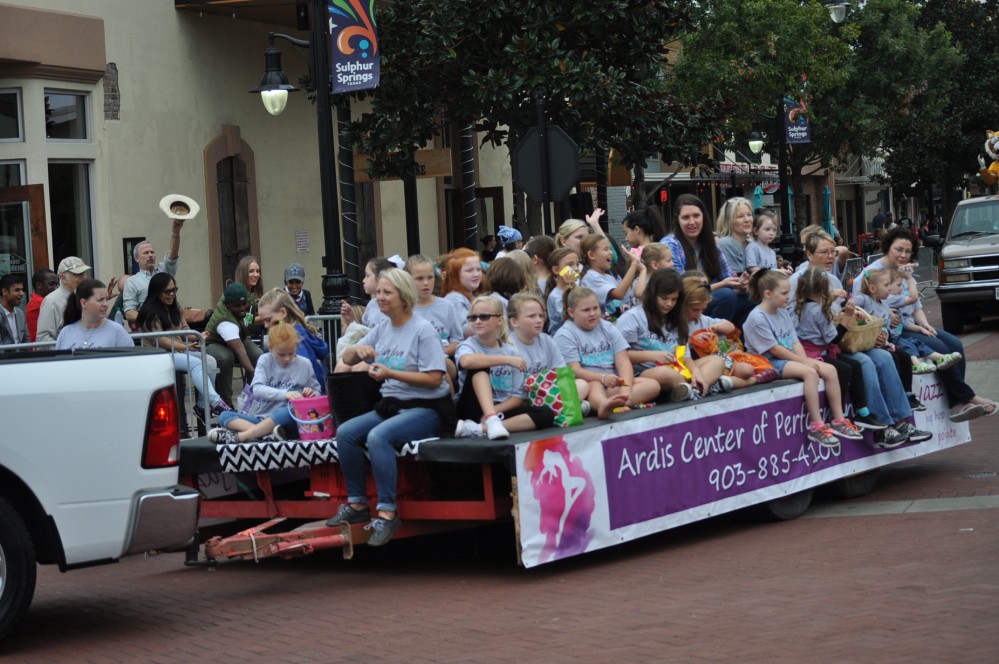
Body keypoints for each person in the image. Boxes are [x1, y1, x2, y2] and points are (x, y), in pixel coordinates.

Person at [324, 268, 453, 547]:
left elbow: (434, 379)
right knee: (345, 433)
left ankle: (387, 511)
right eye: (379, 291)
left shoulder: (422, 330)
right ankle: (358, 505)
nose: (379, 297)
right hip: (392, 405)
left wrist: (391, 374)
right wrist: (356, 351)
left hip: (427, 407)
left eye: (386, 292)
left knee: (378, 436)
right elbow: (346, 355)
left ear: (403, 296)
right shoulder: (382, 328)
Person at [856, 227, 995, 421]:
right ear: (888, 247)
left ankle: (958, 400)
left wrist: (926, 325)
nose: (903, 255)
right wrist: (887, 312)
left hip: (913, 325)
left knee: (955, 344)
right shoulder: (872, 273)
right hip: (895, 331)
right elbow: (861, 303)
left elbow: (917, 306)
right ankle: (964, 399)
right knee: (940, 347)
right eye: (899, 249)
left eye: (908, 251)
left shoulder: (904, 272)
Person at [792, 267, 924, 445]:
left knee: (886, 357)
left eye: (832, 251)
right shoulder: (818, 307)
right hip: (835, 347)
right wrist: (846, 313)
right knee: (864, 363)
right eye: (825, 251)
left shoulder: (809, 303)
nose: (830, 256)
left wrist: (877, 330)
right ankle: (880, 424)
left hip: (847, 343)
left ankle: (901, 421)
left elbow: (832, 314)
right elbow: (834, 334)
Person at [743, 270, 863, 447]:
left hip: (786, 358)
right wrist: (804, 362)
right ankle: (817, 425)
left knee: (830, 369)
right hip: (766, 363)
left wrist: (805, 359)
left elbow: (794, 342)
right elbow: (775, 350)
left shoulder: (782, 313)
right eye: (784, 293)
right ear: (768, 294)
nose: (788, 297)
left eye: (788, 292)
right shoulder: (757, 318)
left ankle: (839, 419)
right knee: (809, 373)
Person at [615, 268, 727, 401]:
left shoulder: (676, 318)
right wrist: (653, 356)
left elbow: (685, 354)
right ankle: (694, 390)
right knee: (665, 374)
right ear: (653, 294)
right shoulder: (633, 318)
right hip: (645, 373)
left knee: (717, 361)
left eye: (674, 299)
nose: (669, 304)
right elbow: (620, 356)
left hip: (678, 369)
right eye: (664, 298)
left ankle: (692, 389)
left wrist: (696, 371)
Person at [453, 296, 555, 439]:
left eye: (484, 317)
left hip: (500, 408)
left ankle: (482, 428)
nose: (477, 321)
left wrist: (495, 411)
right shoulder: (469, 345)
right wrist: (506, 360)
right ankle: (491, 420)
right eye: (473, 317)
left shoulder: (511, 351)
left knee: (546, 414)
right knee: (479, 367)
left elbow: (518, 396)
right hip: (472, 407)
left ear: (500, 320)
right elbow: (466, 362)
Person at [554, 286, 660, 418]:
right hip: (588, 382)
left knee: (652, 385)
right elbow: (574, 370)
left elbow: (623, 362)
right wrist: (602, 378)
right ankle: (603, 405)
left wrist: (625, 389)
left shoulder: (607, 327)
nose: (592, 313)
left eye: (595, 308)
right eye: (586, 310)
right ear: (571, 312)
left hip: (612, 382)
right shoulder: (565, 334)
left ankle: (620, 401)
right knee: (594, 386)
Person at [136, 272, 231, 417]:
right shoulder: (149, 311)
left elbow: (185, 330)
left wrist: (200, 336)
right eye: (167, 291)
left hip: (178, 351)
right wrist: (187, 347)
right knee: (195, 364)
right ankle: (215, 401)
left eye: (174, 290)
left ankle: (201, 406)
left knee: (210, 361)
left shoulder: (175, 306)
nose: (172, 294)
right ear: (157, 292)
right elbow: (162, 340)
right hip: (159, 355)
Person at [209, 323, 321, 444]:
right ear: (271, 348)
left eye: (291, 353)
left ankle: (243, 436)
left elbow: (317, 392)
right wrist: (285, 394)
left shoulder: (305, 364)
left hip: (291, 420)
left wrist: (311, 393)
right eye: (281, 354)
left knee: (287, 410)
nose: (287, 358)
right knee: (225, 415)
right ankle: (268, 434)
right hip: (262, 419)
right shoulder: (265, 360)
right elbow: (257, 389)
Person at [660, 194, 753, 327]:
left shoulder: (710, 243)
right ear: (677, 220)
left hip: (709, 301)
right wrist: (723, 285)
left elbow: (729, 278)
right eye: (686, 217)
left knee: (752, 297)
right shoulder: (670, 244)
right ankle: (711, 341)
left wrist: (741, 285)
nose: (692, 222)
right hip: (683, 305)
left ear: (703, 216)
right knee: (726, 296)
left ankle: (738, 341)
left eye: (696, 216)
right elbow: (681, 289)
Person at [257, 288, 329, 391]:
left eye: (268, 320)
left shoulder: (292, 339)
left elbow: (298, 380)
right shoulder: (301, 333)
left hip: (303, 400)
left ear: (282, 313)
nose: (266, 325)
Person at [204, 283, 264, 406]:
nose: (242, 308)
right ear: (228, 305)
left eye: (244, 304)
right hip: (215, 343)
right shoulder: (225, 321)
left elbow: (247, 318)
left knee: (258, 355)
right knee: (226, 357)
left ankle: (251, 397)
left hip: (238, 337)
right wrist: (254, 373)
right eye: (237, 306)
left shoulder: (238, 298)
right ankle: (225, 402)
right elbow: (240, 351)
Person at [122, 216, 187, 322]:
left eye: (152, 252)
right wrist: (151, 322)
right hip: (150, 333)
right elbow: (129, 312)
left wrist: (176, 232)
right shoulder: (132, 282)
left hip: (172, 325)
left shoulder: (164, 272)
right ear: (136, 258)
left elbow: (173, 254)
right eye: (146, 253)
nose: (150, 255)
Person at [55, 278, 134, 350]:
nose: (105, 304)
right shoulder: (66, 332)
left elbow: (131, 360)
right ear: (84, 303)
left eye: (106, 299)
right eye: (100, 300)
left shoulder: (117, 331)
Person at [579, 234, 643, 318]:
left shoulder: (607, 277)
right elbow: (619, 294)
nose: (611, 252)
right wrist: (634, 264)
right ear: (592, 255)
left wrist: (638, 270)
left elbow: (623, 290)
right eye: (606, 249)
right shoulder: (591, 277)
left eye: (610, 249)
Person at [36, 257, 91, 343]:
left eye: (84, 273)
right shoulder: (51, 301)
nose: (83, 277)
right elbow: (43, 338)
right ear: (63, 278)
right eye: (78, 274)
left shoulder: (88, 296)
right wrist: (64, 351)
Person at [340, 256, 394, 329]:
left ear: (380, 277)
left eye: (367, 276)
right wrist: (352, 320)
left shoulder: (392, 306)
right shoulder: (371, 305)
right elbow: (367, 335)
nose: (363, 280)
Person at [440, 247, 488, 317]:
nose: (476, 274)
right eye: (469, 270)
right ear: (455, 274)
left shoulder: (467, 297)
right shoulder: (455, 301)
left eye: (478, 269)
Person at [544, 247, 580, 335]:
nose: (576, 268)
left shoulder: (576, 287)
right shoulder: (555, 296)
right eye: (570, 265)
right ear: (556, 270)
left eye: (577, 264)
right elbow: (572, 317)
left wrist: (573, 284)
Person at [715, 197, 754, 275]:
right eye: (740, 216)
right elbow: (737, 279)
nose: (747, 219)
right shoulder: (725, 244)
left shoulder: (752, 244)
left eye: (749, 215)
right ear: (729, 221)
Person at [746, 209, 787, 274]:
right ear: (756, 230)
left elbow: (774, 271)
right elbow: (752, 268)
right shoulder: (753, 247)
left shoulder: (772, 252)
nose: (771, 233)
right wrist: (776, 271)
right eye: (767, 229)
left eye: (774, 230)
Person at [25, 268, 58, 341]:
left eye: (56, 284)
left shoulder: (38, 301)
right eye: (51, 284)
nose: (55, 288)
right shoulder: (39, 302)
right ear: (39, 285)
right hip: (41, 347)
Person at [0, 274, 28, 345]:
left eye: (22, 290)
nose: (21, 293)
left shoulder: (20, 313)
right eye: (17, 290)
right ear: (5, 292)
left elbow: (27, 340)